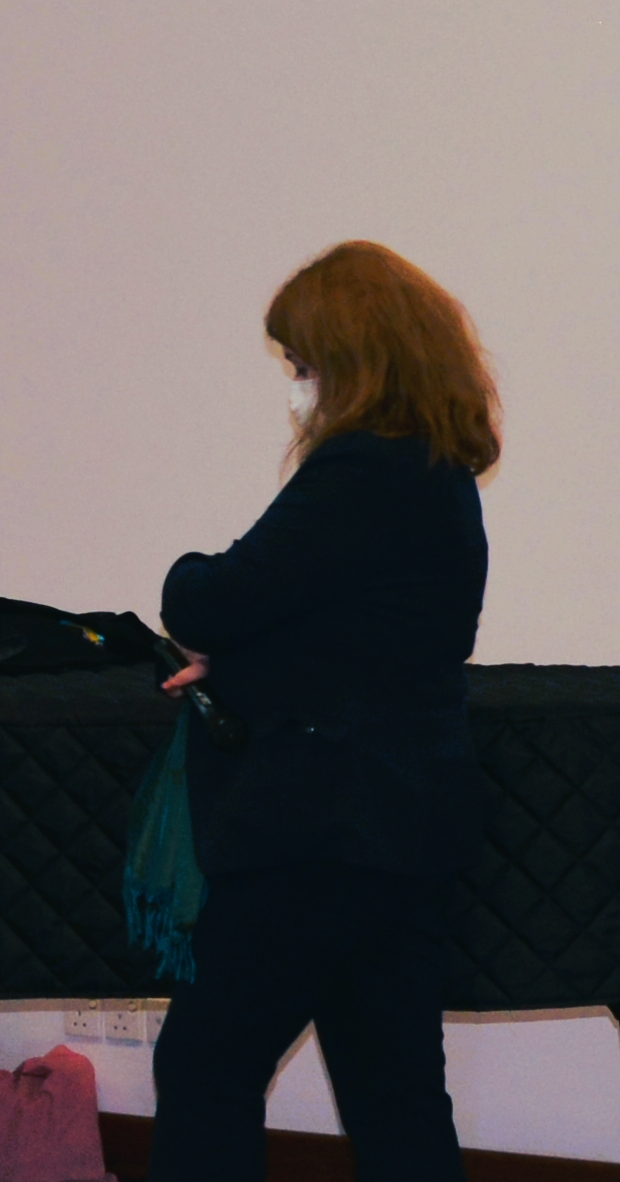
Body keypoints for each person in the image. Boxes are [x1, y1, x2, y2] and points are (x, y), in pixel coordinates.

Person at [147, 239, 503, 1182]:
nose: (300, 386)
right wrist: (242, 658)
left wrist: (197, 598)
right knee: (396, 1099)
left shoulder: (360, 469)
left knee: (206, 1068)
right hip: (404, 825)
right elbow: (354, 639)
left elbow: (211, 599)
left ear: (353, 359)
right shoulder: (436, 475)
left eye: (304, 364)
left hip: (321, 828)